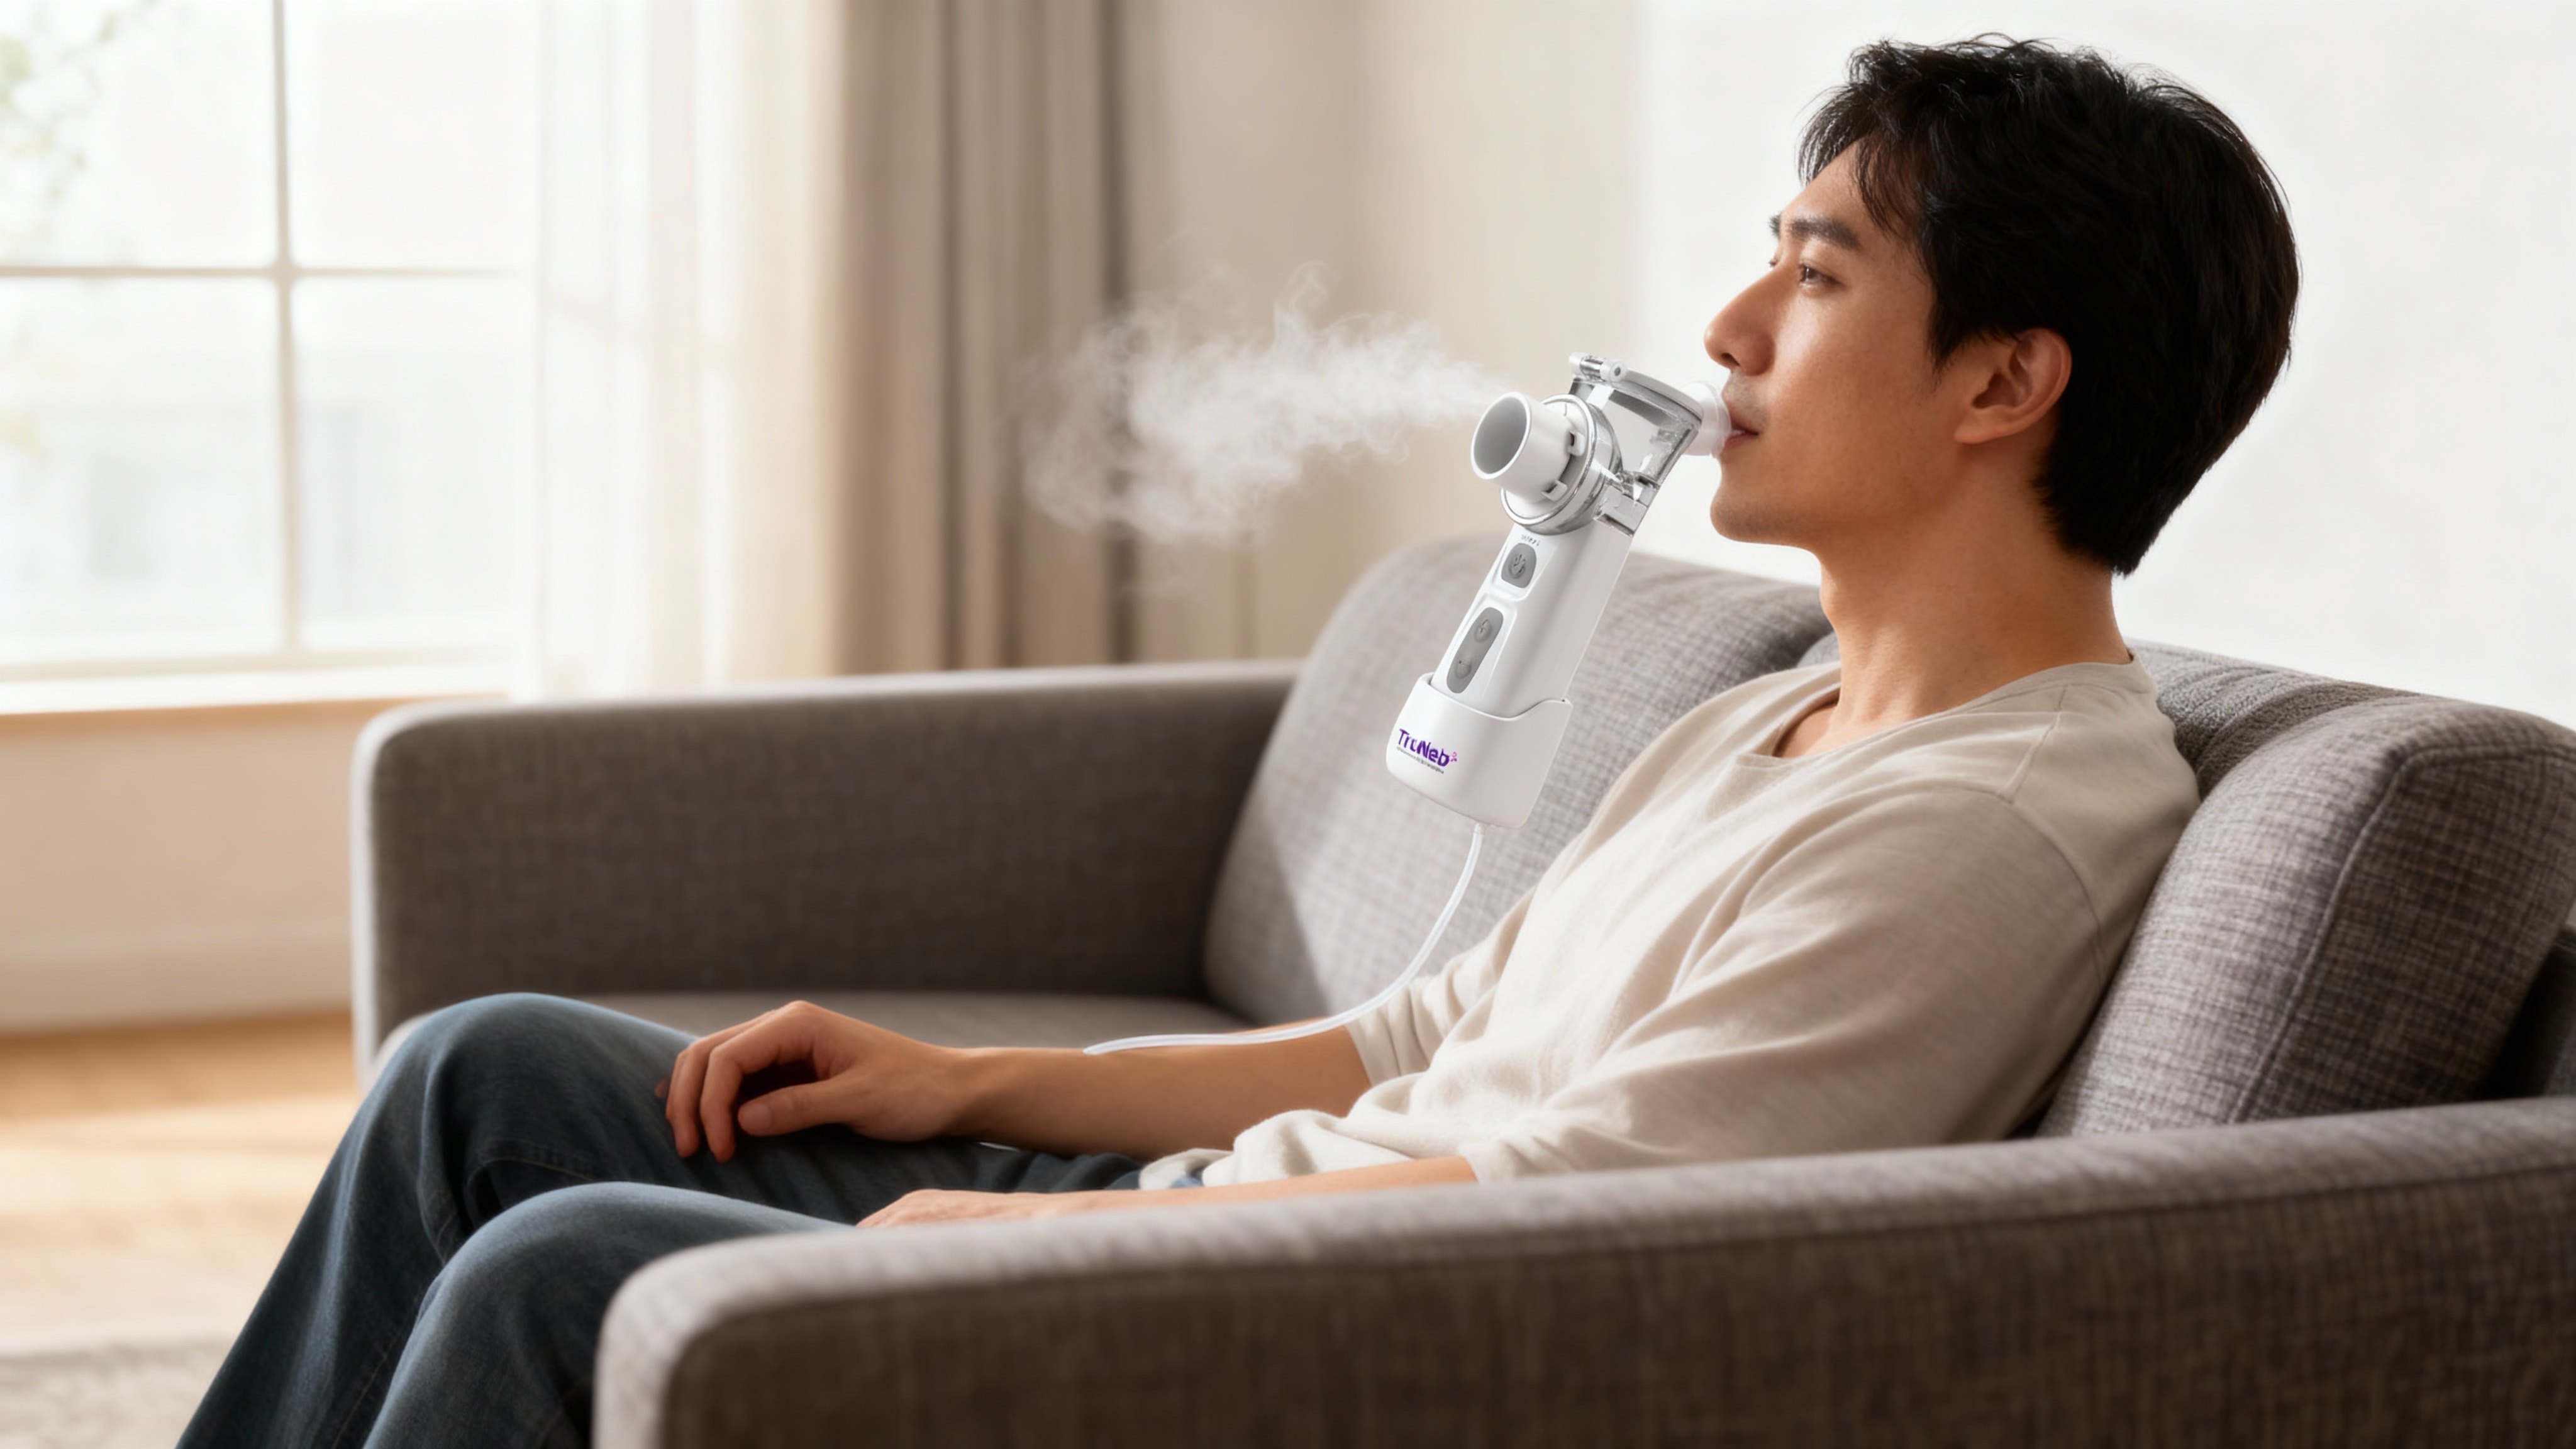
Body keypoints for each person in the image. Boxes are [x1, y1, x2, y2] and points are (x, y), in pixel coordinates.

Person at [184, 35, 2297, 1447]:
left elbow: (1602, 1211)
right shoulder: (1779, 711)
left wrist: (1046, 1235)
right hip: (1210, 1205)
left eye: (1815, 279)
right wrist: (978, 1085)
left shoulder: (2002, 822)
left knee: (565, 1265)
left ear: (2005, 383)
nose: (1732, 334)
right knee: (486, 1071)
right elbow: (1419, 1038)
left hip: (1290, 1321)